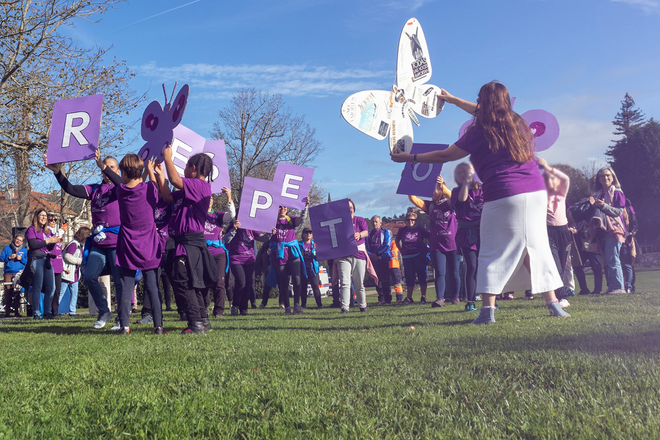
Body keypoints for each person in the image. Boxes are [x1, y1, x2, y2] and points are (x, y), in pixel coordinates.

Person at [391, 82, 569, 323]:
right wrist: (453, 100)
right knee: (535, 247)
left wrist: (409, 158)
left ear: (484, 102)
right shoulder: (518, 123)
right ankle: (553, 303)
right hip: (536, 193)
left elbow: (446, 154)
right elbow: (483, 112)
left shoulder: (480, 131)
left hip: (504, 194)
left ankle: (487, 311)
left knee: (492, 250)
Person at [46, 150, 122, 329]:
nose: (107, 170)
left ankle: (122, 317)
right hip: (98, 242)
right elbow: (70, 189)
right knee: (88, 275)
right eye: (105, 167)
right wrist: (57, 171)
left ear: (117, 171)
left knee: (119, 281)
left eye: (111, 167)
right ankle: (104, 310)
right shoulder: (95, 189)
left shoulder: (121, 187)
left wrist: (103, 165)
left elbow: (121, 184)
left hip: (116, 241)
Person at [156, 146, 218, 335]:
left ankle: (196, 324)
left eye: (185, 167)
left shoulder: (200, 186)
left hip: (190, 243)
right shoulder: (187, 190)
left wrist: (168, 158)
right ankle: (203, 321)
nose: (183, 170)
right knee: (193, 282)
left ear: (193, 168)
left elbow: (175, 179)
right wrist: (160, 176)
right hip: (183, 242)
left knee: (184, 283)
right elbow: (167, 196)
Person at [110, 154, 165, 335]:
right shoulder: (150, 188)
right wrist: (150, 172)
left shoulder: (120, 191)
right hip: (149, 243)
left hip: (127, 243)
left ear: (123, 172)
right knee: (152, 286)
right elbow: (153, 189)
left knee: (126, 286)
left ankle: (125, 326)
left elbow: (127, 183)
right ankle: (158, 325)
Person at [409, 174, 460, 308]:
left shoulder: (451, 202)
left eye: (435, 189)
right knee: (440, 272)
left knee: (454, 272)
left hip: (453, 244)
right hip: (437, 245)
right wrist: (409, 181)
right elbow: (413, 199)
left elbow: (453, 195)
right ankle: (440, 298)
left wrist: (442, 184)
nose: (432, 192)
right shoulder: (430, 205)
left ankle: (456, 297)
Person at [538, 158, 572, 308]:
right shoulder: (540, 197)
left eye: (552, 179)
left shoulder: (562, 193)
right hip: (548, 231)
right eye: (547, 179)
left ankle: (560, 295)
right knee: (555, 265)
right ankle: (561, 296)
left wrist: (548, 167)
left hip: (563, 231)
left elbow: (565, 178)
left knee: (563, 265)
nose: (550, 181)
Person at [451, 162, 483, 312]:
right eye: (459, 173)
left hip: (483, 230)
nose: (463, 174)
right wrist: (465, 183)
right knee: (472, 266)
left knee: (486, 266)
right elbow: (462, 200)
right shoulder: (456, 191)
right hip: (466, 232)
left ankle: (490, 299)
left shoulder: (483, 189)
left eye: (466, 171)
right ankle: (470, 300)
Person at [590, 167, 627, 294]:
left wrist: (603, 206)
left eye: (608, 175)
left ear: (613, 177)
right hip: (601, 230)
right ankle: (611, 286)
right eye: (602, 176)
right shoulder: (597, 195)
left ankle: (618, 287)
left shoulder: (617, 192)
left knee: (613, 258)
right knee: (606, 260)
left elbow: (618, 211)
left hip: (614, 229)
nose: (605, 178)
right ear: (598, 179)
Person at [270, 201, 309, 315]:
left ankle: (297, 305)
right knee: (283, 281)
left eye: (284, 207)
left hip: (292, 252)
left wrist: (305, 207)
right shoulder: (271, 221)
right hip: (279, 253)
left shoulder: (290, 219)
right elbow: (266, 236)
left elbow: (301, 219)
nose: (282, 209)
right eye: (280, 207)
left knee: (297, 279)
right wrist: (270, 233)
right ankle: (287, 306)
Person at [335, 199, 372, 314]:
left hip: (359, 255)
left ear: (354, 209)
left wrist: (359, 235)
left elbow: (366, 232)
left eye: (351, 207)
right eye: (347, 208)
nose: (349, 210)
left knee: (359, 282)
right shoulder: (338, 222)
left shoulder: (359, 220)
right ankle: (345, 307)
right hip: (343, 256)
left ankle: (362, 305)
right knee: (345, 282)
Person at [225, 219, 269, 316]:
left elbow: (262, 238)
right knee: (241, 282)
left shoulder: (251, 226)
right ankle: (235, 306)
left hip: (249, 259)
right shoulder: (233, 226)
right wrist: (233, 229)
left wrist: (269, 233)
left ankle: (244, 308)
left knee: (248, 284)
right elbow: (226, 240)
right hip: (236, 259)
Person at [203, 189, 235, 318]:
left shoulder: (218, 216)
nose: (209, 200)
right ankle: (204, 307)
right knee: (204, 282)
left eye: (211, 198)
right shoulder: (198, 215)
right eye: (207, 198)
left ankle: (219, 311)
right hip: (203, 253)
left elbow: (231, 215)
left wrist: (229, 196)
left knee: (219, 283)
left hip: (218, 254)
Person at [24, 209, 62, 319]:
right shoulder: (31, 229)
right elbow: (32, 245)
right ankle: (36, 313)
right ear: (36, 217)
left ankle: (46, 312)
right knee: (38, 286)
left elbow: (49, 247)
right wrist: (47, 241)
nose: (44, 217)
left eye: (45, 216)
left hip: (46, 259)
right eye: (41, 215)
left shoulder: (47, 231)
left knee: (51, 287)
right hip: (36, 258)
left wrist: (53, 242)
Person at [395, 212, 429, 304]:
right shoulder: (402, 230)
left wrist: (427, 249)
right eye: (408, 220)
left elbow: (429, 237)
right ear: (405, 221)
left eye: (412, 220)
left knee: (422, 275)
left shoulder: (420, 229)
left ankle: (423, 296)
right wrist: (401, 250)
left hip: (419, 255)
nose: (410, 221)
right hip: (407, 256)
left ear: (415, 221)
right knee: (409, 277)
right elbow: (397, 240)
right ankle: (409, 297)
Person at [60, 227, 92, 316]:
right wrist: (80, 261)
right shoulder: (74, 244)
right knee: (61, 292)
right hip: (68, 272)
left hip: (75, 273)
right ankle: (53, 310)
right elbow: (67, 256)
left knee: (74, 293)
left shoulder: (79, 245)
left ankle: (72, 311)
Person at [366, 216, 392, 305]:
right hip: (373, 260)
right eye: (373, 222)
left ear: (380, 223)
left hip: (383, 258)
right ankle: (381, 299)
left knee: (385, 279)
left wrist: (377, 254)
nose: (374, 223)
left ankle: (388, 298)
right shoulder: (368, 234)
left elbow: (387, 244)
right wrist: (371, 255)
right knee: (377, 280)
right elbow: (366, 247)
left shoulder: (385, 232)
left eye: (376, 222)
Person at [1, 234, 27, 317]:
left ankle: (17, 311)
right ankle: (7, 312)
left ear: (22, 242)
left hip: (18, 273)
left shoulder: (24, 250)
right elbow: (1, 258)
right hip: (8, 272)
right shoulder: (7, 248)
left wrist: (21, 258)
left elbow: (27, 261)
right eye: (17, 239)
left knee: (17, 292)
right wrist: (8, 258)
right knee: (8, 292)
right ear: (14, 239)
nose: (18, 241)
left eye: (20, 240)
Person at [299, 228, 323, 308]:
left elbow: (319, 257)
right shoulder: (299, 244)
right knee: (303, 287)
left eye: (310, 233)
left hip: (313, 268)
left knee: (315, 286)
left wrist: (317, 250)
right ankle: (303, 305)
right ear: (303, 235)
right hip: (303, 268)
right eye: (306, 233)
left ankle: (319, 305)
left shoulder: (315, 245)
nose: (308, 234)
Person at [47, 215, 65, 316]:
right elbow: (51, 240)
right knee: (51, 289)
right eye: (51, 220)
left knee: (58, 290)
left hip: (58, 266)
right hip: (50, 265)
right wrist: (61, 231)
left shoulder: (57, 234)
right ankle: (47, 310)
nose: (53, 221)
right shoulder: (47, 233)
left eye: (55, 220)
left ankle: (55, 312)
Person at [621, 198, 638, 293]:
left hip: (628, 238)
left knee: (628, 263)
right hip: (622, 237)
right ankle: (627, 285)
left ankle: (629, 285)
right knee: (625, 264)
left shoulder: (628, 209)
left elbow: (634, 224)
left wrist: (630, 234)